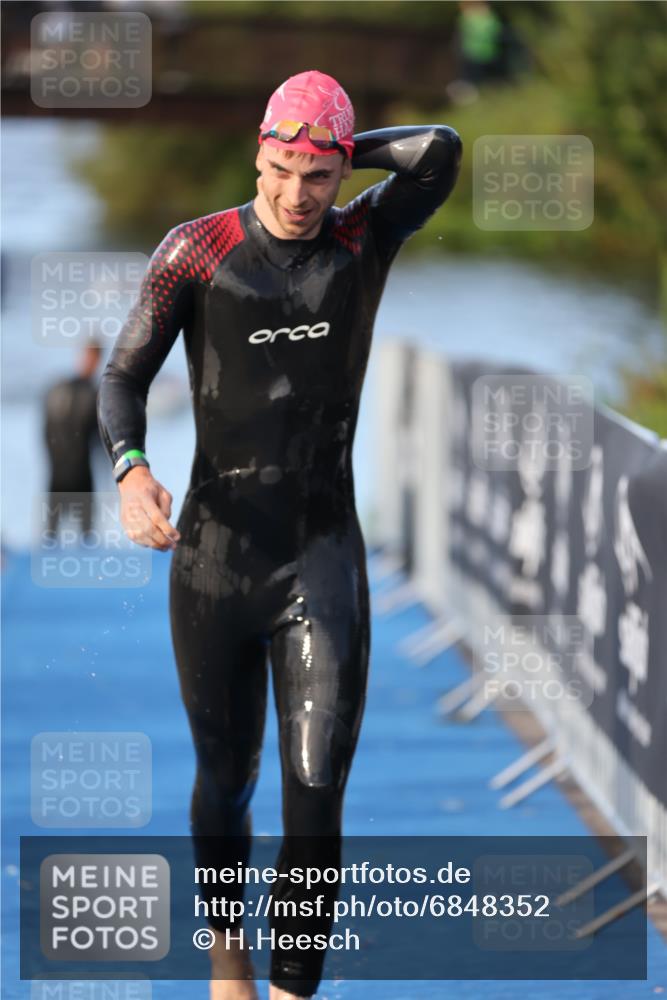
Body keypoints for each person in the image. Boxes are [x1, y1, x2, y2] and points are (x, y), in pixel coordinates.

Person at [97, 70, 461, 999]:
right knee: (227, 778)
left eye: (317, 176)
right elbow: (120, 378)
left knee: (315, 783)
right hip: (216, 559)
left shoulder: (362, 236)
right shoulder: (197, 249)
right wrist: (132, 466)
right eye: (280, 168)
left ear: (340, 176)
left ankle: (294, 988)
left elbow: (440, 151)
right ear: (255, 154)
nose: (296, 195)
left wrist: (344, 143)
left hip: (321, 556)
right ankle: (228, 956)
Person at [43, 340, 103, 538]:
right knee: (52, 533)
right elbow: (47, 428)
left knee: (86, 532)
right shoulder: (62, 389)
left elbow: (99, 434)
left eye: (94, 357)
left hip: (80, 469)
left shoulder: (93, 392)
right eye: (88, 356)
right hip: (61, 470)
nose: (90, 362)